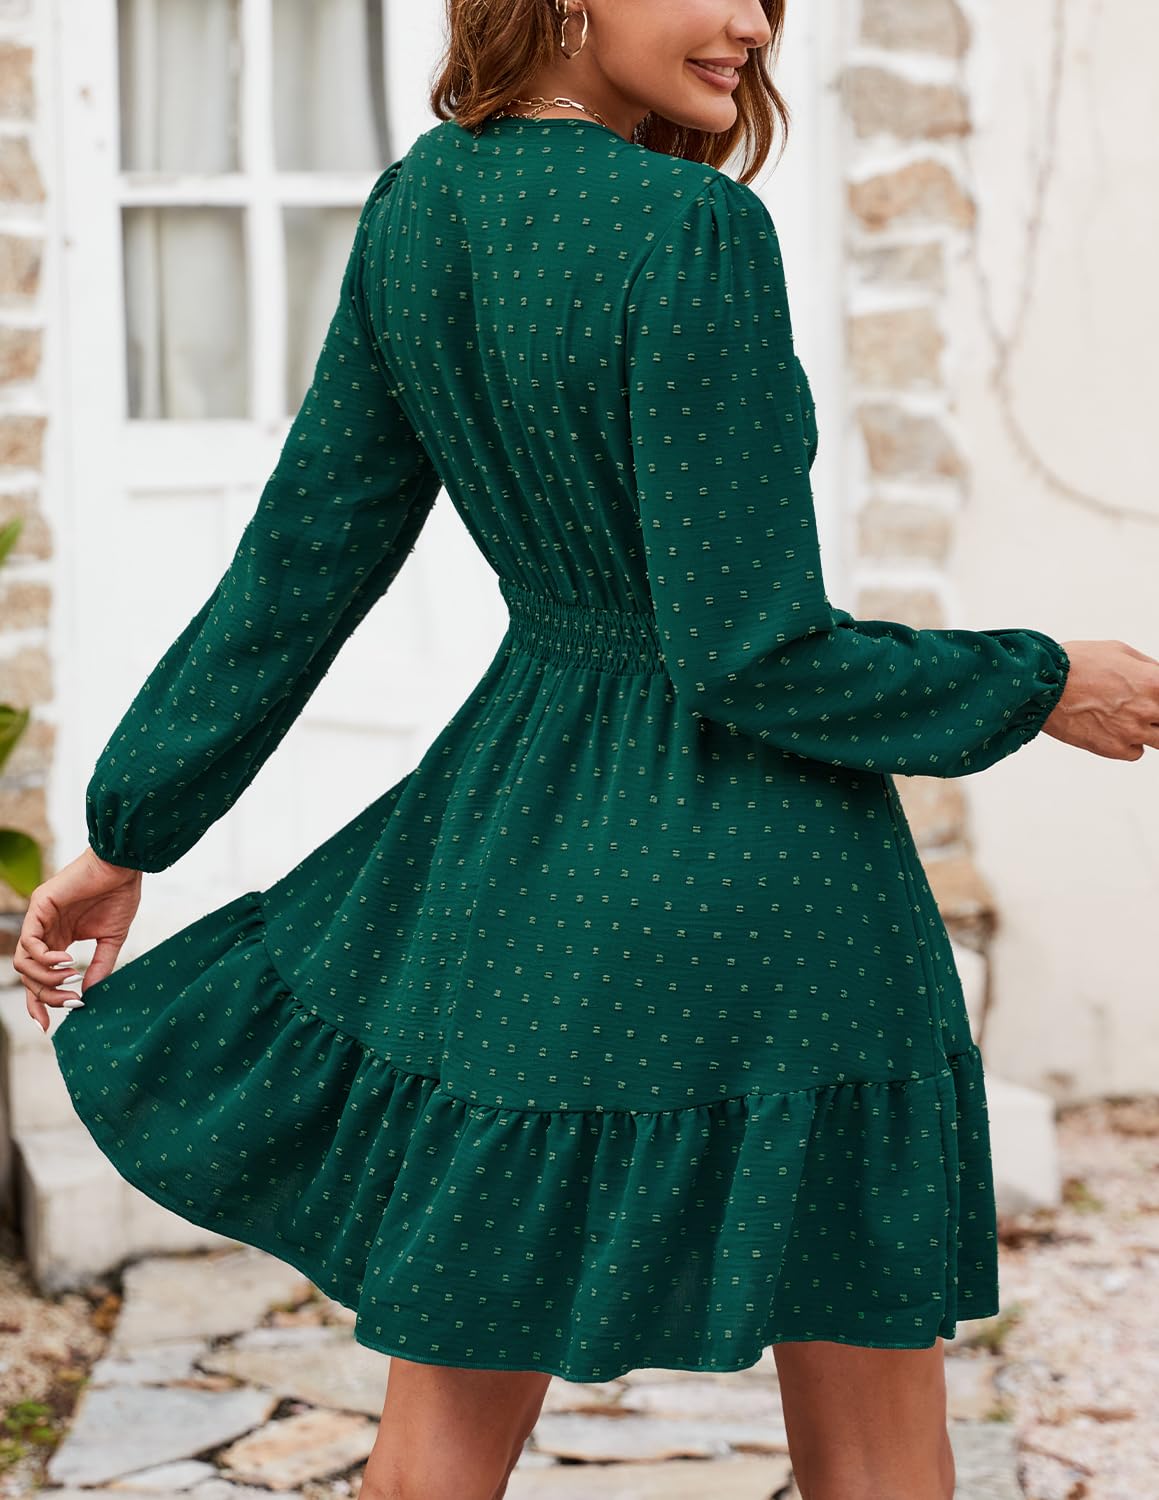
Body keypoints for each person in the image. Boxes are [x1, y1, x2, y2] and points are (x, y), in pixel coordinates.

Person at [13, 1, 1159, 1497]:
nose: (750, 23)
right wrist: (1044, 680)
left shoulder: (422, 205)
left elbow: (301, 560)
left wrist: (130, 829)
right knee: (878, 1440)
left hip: (519, 842)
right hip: (771, 880)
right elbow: (752, 655)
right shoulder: (696, 229)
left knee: (439, 1434)